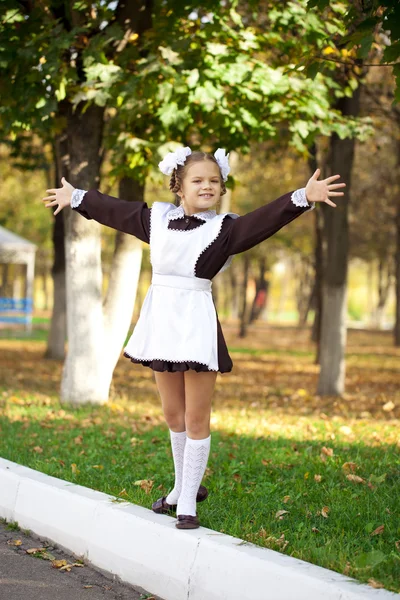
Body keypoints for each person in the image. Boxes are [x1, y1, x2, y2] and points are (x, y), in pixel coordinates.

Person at [42, 147, 345, 530]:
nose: (207, 186)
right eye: (197, 181)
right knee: (173, 415)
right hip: (161, 323)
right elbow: (117, 211)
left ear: (221, 189)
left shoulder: (227, 229)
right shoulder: (158, 220)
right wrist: (78, 199)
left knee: (196, 416)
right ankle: (180, 486)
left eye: (214, 181)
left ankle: (187, 500)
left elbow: (264, 219)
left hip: (196, 325)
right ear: (179, 188)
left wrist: (301, 197)